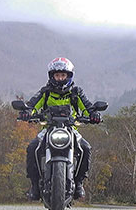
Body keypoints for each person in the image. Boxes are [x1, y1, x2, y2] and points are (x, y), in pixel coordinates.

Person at [24, 57, 101, 201]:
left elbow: (87, 108)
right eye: (57, 75)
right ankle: (34, 185)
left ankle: (78, 183)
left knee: (86, 148)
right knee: (32, 147)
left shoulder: (76, 92)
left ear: (69, 76)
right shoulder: (45, 92)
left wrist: (93, 114)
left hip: (71, 129)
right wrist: (27, 112)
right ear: (52, 76)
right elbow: (33, 105)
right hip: (48, 129)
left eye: (63, 75)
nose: (60, 79)